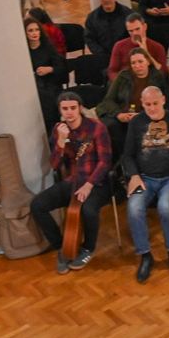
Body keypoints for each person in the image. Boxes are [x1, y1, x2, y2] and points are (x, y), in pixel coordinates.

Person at [31, 93, 113, 274]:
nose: (69, 112)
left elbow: (105, 162)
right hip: (73, 180)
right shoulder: (59, 129)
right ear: (60, 110)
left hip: (96, 182)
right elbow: (54, 165)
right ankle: (62, 246)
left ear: (80, 108)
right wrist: (60, 141)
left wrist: (89, 185)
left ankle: (88, 248)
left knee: (88, 210)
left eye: (73, 108)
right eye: (65, 109)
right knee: (37, 205)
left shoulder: (96, 127)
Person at [122, 86, 169, 282]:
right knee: (134, 208)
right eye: (147, 104)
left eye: (155, 103)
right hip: (144, 178)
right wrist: (134, 175)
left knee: (165, 207)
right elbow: (127, 155)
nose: (152, 108)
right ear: (142, 104)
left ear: (163, 100)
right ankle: (145, 255)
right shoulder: (136, 122)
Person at [97, 47, 166, 151]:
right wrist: (118, 114)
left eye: (140, 61)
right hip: (124, 114)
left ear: (148, 61)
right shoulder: (123, 76)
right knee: (110, 126)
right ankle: (120, 157)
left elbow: (163, 103)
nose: (137, 66)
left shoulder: (157, 77)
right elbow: (108, 99)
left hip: (147, 115)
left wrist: (142, 115)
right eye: (133, 63)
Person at [26, 17, 66, 130]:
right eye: (30, 30)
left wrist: (49, 69)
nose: (34, 33)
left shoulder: (48, 47)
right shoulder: (24, 51)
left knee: (47, 101)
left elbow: (61, 68)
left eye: (36, 30)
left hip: (50, 84)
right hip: (32, 86)